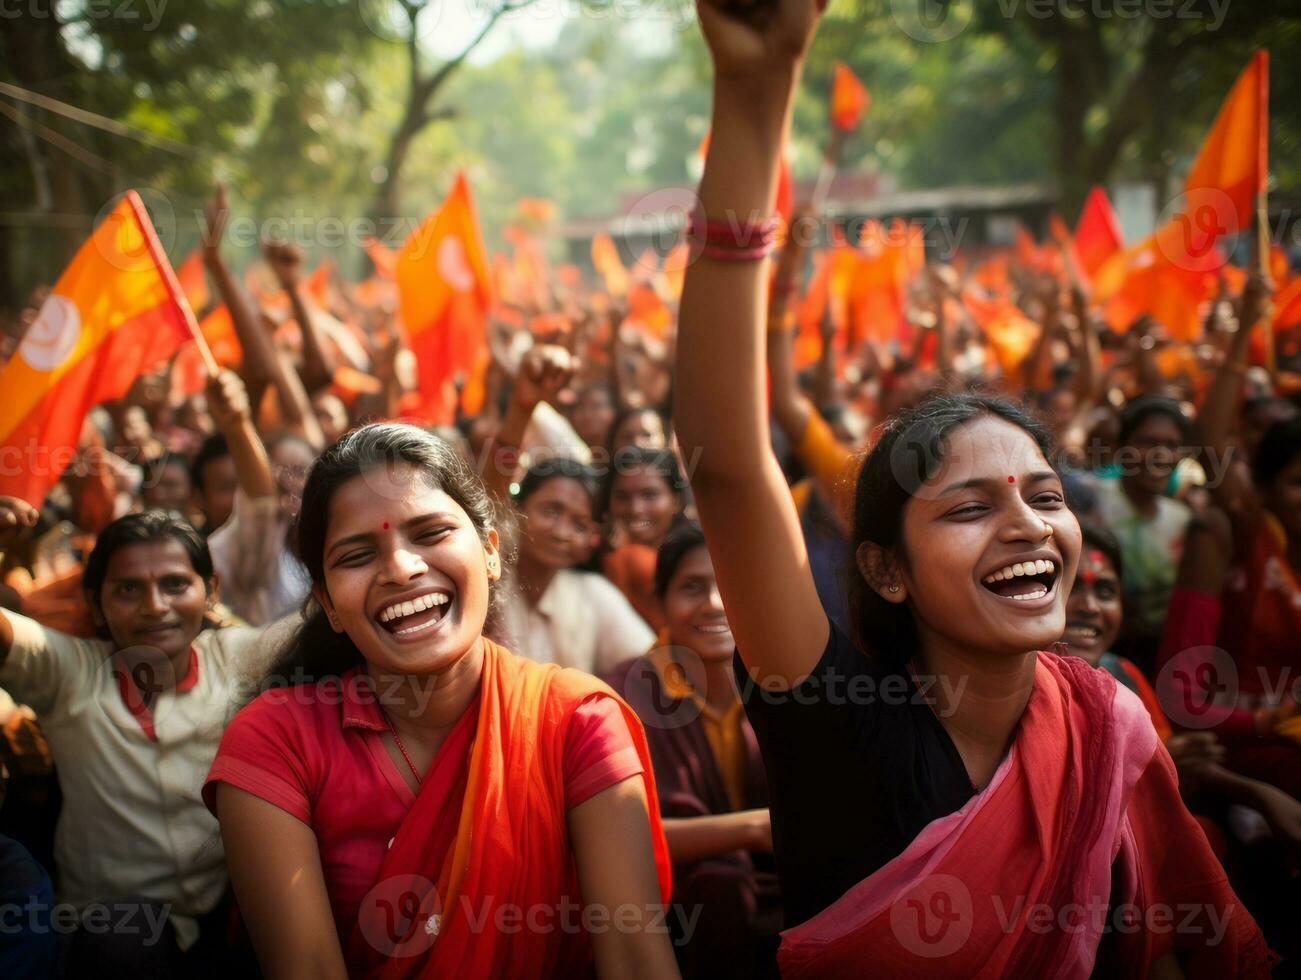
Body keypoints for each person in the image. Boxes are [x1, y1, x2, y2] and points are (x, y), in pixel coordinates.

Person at [671, 1, 1270, 974]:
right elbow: (727, 465)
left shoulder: (1105, 722)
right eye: (967, 505)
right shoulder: (831, 716)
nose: (1027, 525)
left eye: (1042, 494)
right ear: (884, 568)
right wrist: (753, 92)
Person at [205, 423, 678, 978]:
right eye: (357, 555)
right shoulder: (276, 739)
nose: (402, 568)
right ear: (328, 605)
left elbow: (636, 959)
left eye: (430, 533)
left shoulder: (576, 721)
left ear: (492, 551)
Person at [0, 498, 292, 976]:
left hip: (226, 926)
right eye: (129, 589)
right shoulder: (67, 670)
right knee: (123, 939)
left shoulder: (239, 659)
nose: (155, 606)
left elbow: (330, 619)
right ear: (96, 602)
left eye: (176, 584)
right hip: (109, 942)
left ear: (210, 590)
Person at [608, 523, 778, 979]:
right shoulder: (622, 696)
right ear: (659, 603)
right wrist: (756, 829)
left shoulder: (785, 682)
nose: (715, 603)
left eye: (728, 584)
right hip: (676, 915)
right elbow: (620, 839)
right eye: (692, 588)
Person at [501, 458, 654, 674]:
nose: (561, 533)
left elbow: (650, 667)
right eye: (550, 511)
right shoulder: (486, 583)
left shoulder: (593, 593)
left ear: (593, 539)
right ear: (516, 509)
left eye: (580, 525)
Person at [602, 446, 687, 631]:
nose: (635, 509)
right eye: (622, 497)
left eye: (649, 495)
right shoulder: (589, 556)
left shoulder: (698, 557)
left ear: (676, 501)